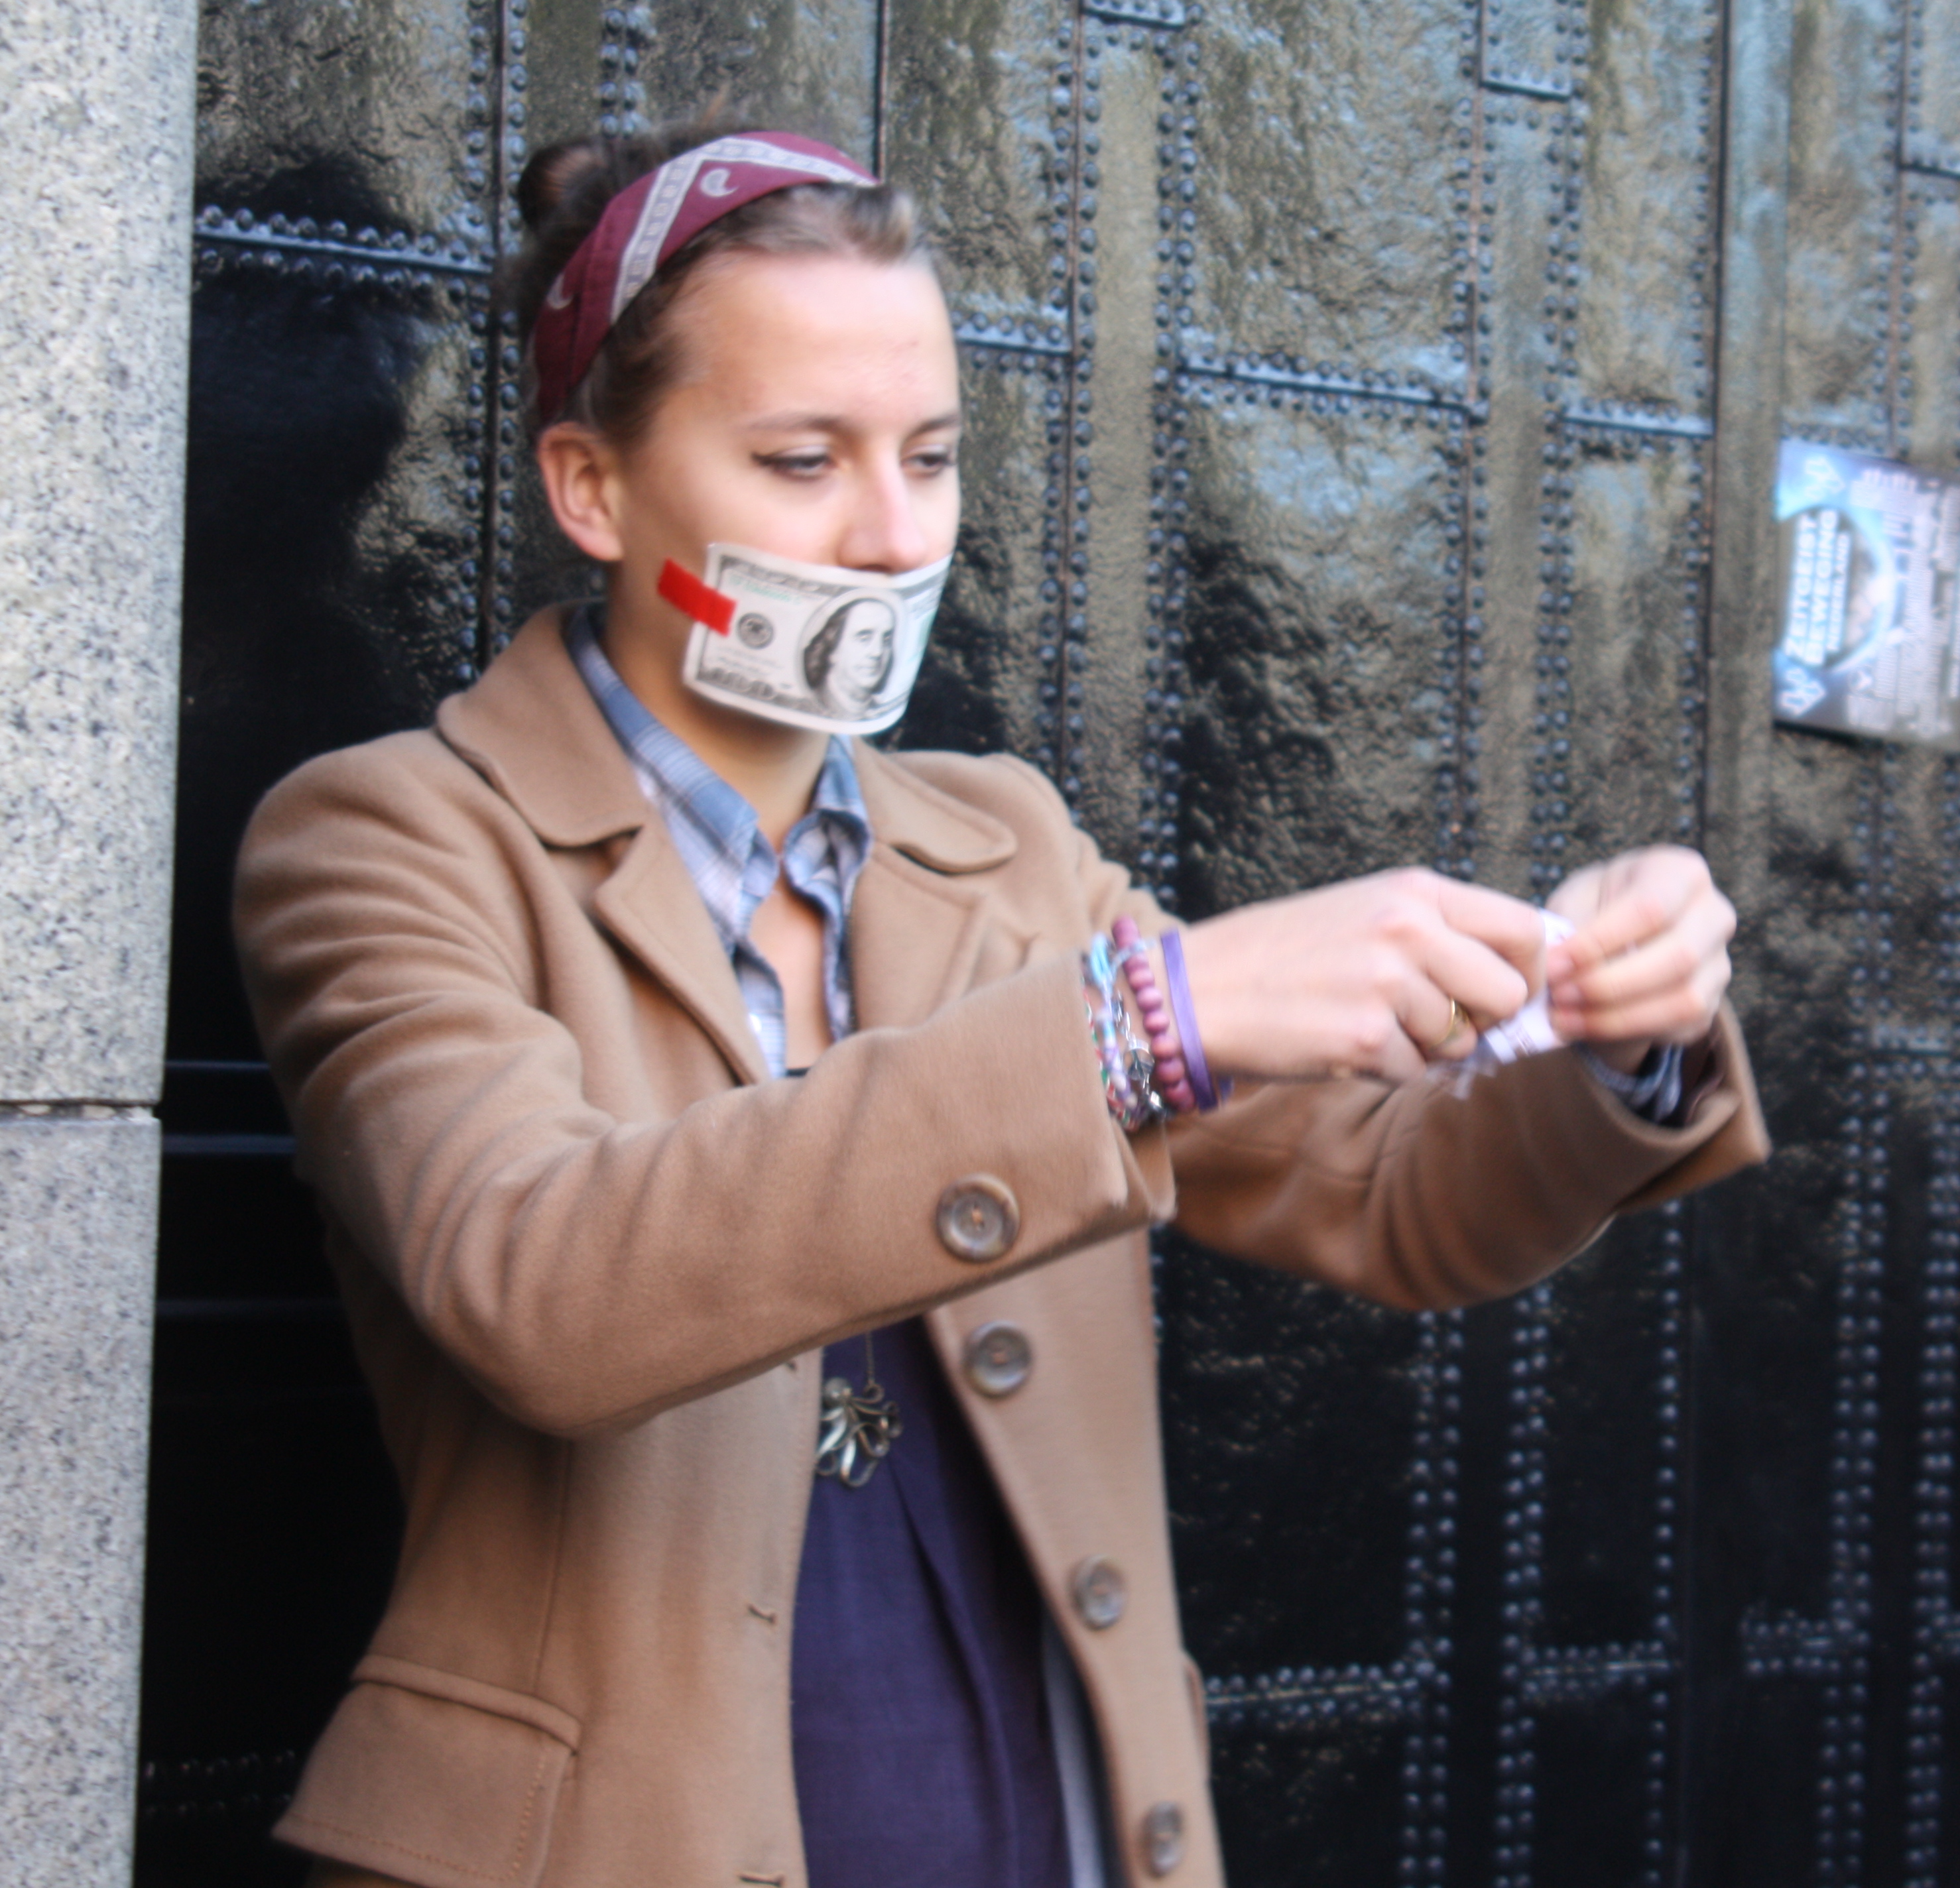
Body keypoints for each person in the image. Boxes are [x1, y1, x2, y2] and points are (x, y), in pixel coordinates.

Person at [234, 120, 1766, 1888]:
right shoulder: (388, 837)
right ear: (593, 488)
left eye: (934, 456)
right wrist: (1128, 1029)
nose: (895, 537)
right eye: (801, 459)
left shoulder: (1010, 844)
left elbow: (1400, 1196)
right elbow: (538, 1288)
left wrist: (1615, 1034)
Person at [802, 593, 898, 721]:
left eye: (886, 640)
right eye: (864, 638)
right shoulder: (814, 702)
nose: (878, 652)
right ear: (833, 648)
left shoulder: (879, 711)